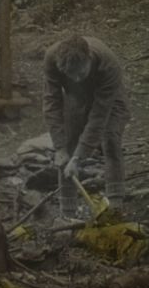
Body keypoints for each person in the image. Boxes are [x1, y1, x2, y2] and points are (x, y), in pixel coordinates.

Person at [42, 34, 131, 213]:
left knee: (110, 139)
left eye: (80, 73)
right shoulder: (51, 58)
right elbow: (52, 102)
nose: (76, 79)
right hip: (75, 97)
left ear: (89, 59)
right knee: (67, 146)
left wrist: (78, 158)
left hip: (110, 99)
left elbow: (99, 116)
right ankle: (67, 210)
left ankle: (116, 202)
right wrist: (60, 148)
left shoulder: (108, 65)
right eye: (70, 75)